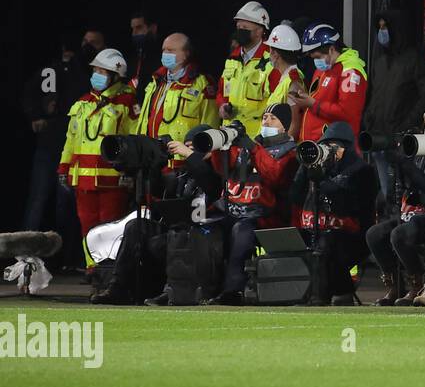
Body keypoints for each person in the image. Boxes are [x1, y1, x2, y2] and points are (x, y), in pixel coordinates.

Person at [101, 124, 225, 306]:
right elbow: (159, 192)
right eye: (187, 146)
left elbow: (211, 185)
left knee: (180, 235)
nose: (189, 150)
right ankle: (117, 287)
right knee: (136, 226)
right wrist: (155, 166)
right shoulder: (183, 174)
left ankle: (172, 292)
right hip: (176, 229)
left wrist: (190, 155)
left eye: (195, 146)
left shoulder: (219, 171)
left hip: (205, 234)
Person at [202, 103, 299, 306]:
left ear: (285, 126)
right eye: (264, 117)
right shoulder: (250, 146)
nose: (266, 121)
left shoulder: (290, 152)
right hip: (236, 209)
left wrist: (252, 148)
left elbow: (274, 175)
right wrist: (222, 146)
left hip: (266, 216)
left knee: (242, 230)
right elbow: (222, 169)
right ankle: (201, 288)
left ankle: (233, 290)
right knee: (205, 229)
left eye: (273, 118)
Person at [367, 103, 425, 306]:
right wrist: (396, 163)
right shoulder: (422, 149)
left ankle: (417, 283)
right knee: (375, 234)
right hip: (412, 213)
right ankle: (394, 285)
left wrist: (406, 164)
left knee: (399, 235)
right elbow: (404, 187)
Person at [57, 48, 138, 268]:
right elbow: (71, 140)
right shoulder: (83, 103)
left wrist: (131, 172)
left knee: (109, 226)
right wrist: (63, 168)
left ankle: (110, 269)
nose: (97, 75)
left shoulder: (126, 103)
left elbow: (134, 139)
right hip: (83, 179)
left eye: (102, 71)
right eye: (95, 71)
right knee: (87, 225)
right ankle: (93, 269)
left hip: (113, 179)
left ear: (114, 75)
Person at [289, 121, 378, 305]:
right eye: (325, 146)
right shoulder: (319, 168)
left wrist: (323, 181)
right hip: (314, 231)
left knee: (329, 242)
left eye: (333, 147)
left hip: (351, 236)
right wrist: (306, 167)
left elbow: (350, 205)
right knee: (288, 241)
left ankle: (337, 293)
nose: (329, 151)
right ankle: (293, 293)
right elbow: (294, 196)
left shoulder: (362, 171)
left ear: (344, 149)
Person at [21, 34, 87, 268]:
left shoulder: (57, 71)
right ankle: (28, 259)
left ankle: (60, 259)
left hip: (62, 148)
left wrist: (37, 115)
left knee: (56, 203)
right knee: (51, 202)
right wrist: (36, 114)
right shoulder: (75, 73)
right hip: (55, 147)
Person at [362, 8, 425, 208]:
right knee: (386, 194)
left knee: (403, 194)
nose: (382, 32)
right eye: (379, 28)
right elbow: (373, 95)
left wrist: (408, 123)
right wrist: (368, 118)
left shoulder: (413, 59)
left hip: (402, 141)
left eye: (385, 27)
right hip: (378, 138)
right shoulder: (379, 60)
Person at [132, 33, 219, 168]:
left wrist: (199, 161)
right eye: (164, 50)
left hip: (182, 164)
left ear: (186, 54)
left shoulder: (202, 84)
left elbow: (210, 125)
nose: (165, 53)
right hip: (150, 162)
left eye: (171, 50)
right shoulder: (156, 81)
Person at [293, 23, 369, 143]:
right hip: (315, 146)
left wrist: (313, 104)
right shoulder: (324, 68)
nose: (316, 62)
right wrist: (305, 100)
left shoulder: (350, 71)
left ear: (332, 49)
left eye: (317, 57)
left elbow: (347, 112)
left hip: (337, 149)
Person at [216, 0, 274, 127]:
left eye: (245, 28)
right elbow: (221, 92)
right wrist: (222, 106)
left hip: (256, 139)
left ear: (259, 31)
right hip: (229, 134)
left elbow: (278, 101)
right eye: (238, 27)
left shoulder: (272, 60)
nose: (240, 31)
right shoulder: (232, 59)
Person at [262, 23, 307, 137]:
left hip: (279, 148)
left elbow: (295, 122)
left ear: (275, 53)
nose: (268, 54)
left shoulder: (293, 81)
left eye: (270, 50)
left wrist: (285, 150)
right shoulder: (285, 78)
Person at [127, 8, 162, 109]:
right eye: (132, 29)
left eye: (139, 28)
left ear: (153, 28)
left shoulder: (164, 56)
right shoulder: (133, 56)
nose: (134, 33)